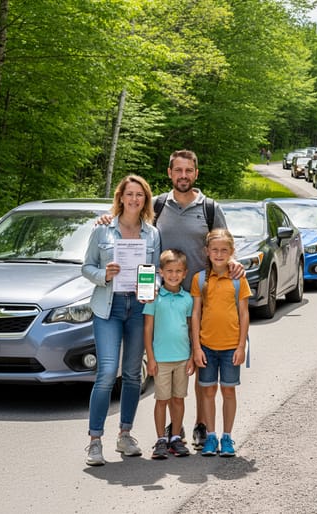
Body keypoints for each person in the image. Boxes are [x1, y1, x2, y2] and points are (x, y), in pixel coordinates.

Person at [95, 149, 243, 450]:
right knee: (169, 361)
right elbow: (133, 225)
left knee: (202, 369)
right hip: (163, 301)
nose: (183, 176)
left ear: (196, 174)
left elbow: (223, 245)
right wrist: (109, 217)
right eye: (178, 170)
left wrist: (234, 264)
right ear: (170, 172)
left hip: (202, 300)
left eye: (189, 171)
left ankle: (203, 428)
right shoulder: (160, 206)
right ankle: (173, 430)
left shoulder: (211, 208)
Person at [82, 175, 161, 466]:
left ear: (146, 200)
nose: (134, 199)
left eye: (140, 195)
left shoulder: (152, 234)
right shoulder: (103, 231)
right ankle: (94, 440)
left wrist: (153, 286)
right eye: (130, 194)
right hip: (108, 307)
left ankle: (125, 434)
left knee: (132, 374)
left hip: (138, 308)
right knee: (106, 373)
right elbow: (87, 267)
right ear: (120, 197)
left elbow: (156, 272)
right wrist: (104, 275)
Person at [191, 229, 250, 458]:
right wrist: (196, 347)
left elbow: (244, 314)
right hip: (206, 346)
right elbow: (196, 313)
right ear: (207, 252)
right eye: (214, 250)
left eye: (224, 250)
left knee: (228, 390)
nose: (219, 254)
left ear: (231, 252)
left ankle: (227, 436)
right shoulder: (200, 279)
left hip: (230, 347)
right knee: (207, 391)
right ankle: (211, 436)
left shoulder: (238, 279)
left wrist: (241, 346)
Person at [143, 249, 194, 459]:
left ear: (185, 273)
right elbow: (147, 329)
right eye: (169, 271)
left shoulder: (188, 299)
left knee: (179, 399)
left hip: (182, 358)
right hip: (161, 360)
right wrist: (151, 358)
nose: (174, 275)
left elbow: (191, 328)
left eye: (178, 271)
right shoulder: (154, 298)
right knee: (161, 400)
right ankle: (160, 439)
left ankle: (175, 437)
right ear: (161, 273)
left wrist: (191, 356)